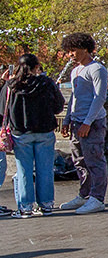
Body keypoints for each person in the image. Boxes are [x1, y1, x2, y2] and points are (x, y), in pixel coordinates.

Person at [3, 53, 66, 217]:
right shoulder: (46, 83)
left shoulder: (11, 85)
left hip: (21, 132)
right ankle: (46, 205)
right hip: (45, 131)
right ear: (37, 66)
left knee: (23, 170)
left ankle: (25, 207)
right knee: (45, 169)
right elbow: (59, 106)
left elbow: (2, 109)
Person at [59, 32, 108, 215]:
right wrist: (67, 118)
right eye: (69, 51)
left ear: (85, 49)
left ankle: (97, 198)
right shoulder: (76, 71)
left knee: (94, 160)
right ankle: (85, 194)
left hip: (92, 122)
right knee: (79, 160)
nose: (70, 54)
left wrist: (88, 122)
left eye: (73, 50)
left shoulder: (97, 69)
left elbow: (99, 98)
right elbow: (75, 96)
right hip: (77, 121)